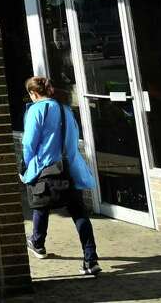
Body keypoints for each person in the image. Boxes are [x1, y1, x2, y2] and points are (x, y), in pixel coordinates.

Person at [20, 75, 101, 276]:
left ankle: (37, 243)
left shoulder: (37, 110)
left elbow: (29, 144)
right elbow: (73, 137)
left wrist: (26, 164)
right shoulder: (65, 110)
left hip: (46, 168)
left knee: (41, 205)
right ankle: (91, 260)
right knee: (79, 213)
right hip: (70, 168)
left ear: (33, 93)